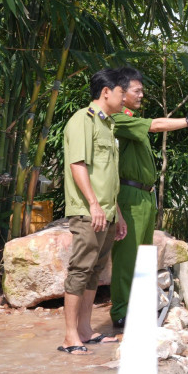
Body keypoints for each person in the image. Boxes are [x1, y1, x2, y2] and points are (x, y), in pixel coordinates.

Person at [109, 66, 188, 328]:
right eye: (137, 91)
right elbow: (157, 125)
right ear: (120, 92)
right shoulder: (117, 119)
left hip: (145, 195)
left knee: (144, 254)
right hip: (129, 194)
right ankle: (122, 312)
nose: (141, 96)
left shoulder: (129, 117)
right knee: (127, 256)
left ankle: (138, 305)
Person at [57, 69, 129, 355]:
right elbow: (78, 165)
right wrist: (94, 205)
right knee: (80, 270)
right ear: (106, 92)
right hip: (89, 212)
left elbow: (107, 176)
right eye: (122, 92)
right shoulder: (81, 120)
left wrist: (117, 213)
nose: (125, 98)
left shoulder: (108, 125)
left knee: (94, 272)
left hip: (107, 212)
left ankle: (85, 330)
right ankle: (69, 335)